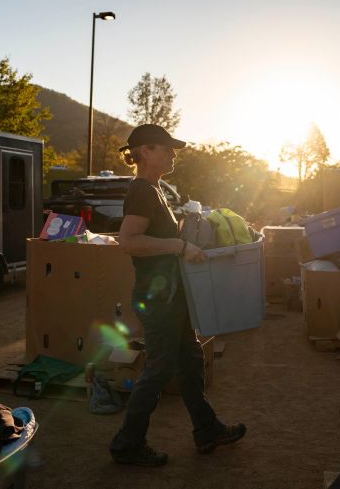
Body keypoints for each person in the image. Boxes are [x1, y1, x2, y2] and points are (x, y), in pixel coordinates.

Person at [109, 124, 246, 467]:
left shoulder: (155, 190)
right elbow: (128, 242)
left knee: (188, 361)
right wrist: (179, 245)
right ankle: (127, 444)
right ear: (144, 152)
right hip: (160, 299)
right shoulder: (141, 190)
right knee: (158, 369)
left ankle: (207, 430)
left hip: (170, 295)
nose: (172, 153)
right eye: (165, 148)